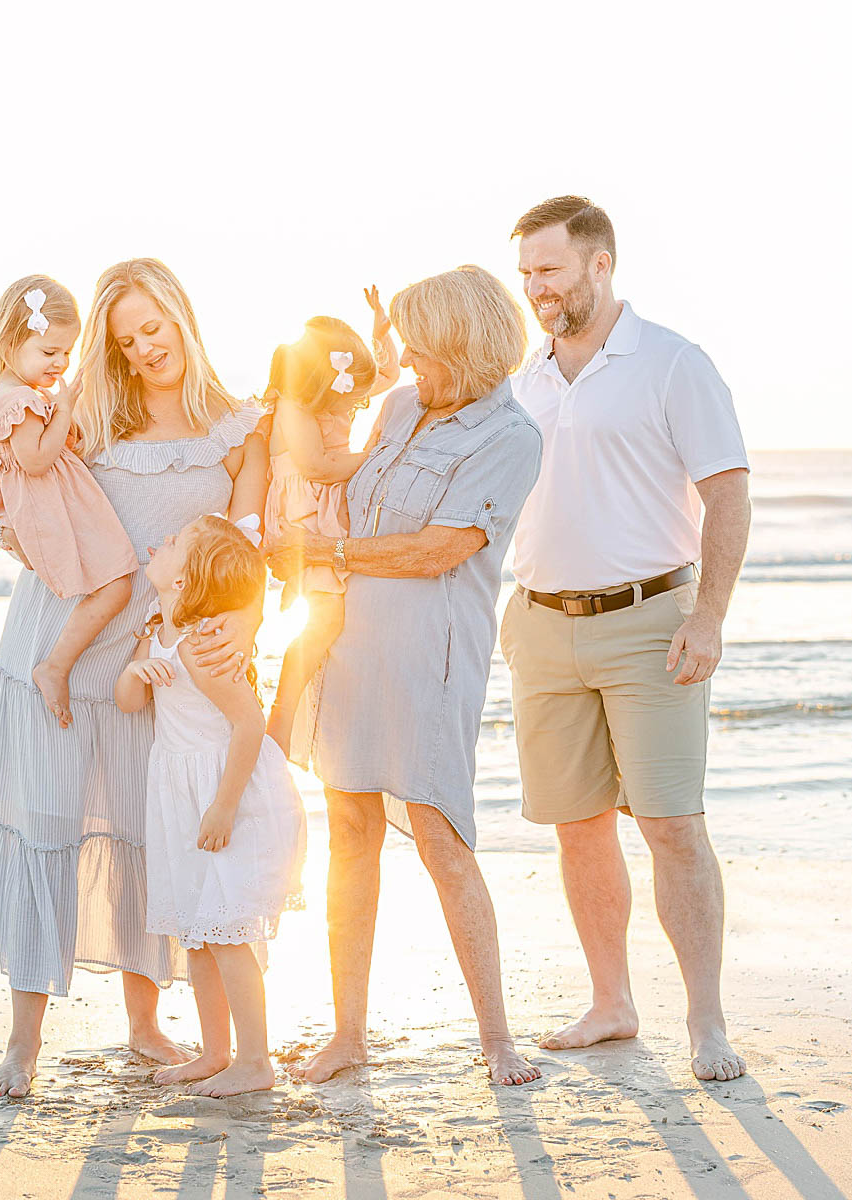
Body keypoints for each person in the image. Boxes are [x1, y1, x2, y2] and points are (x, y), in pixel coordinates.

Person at [0, 258, 269, 1100]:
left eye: (154, 325)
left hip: (155, 669)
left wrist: (239, 631)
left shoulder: (242, 427)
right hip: (56, 644)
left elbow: (250, 555)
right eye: (125, 336)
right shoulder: (87, 418)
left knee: (149, 841)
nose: (144, 347)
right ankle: (23, 1045)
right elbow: (18, 485)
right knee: (44, 835)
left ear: (182, 314)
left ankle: (144, 1024)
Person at [267, 265, 544, 1087]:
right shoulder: (398, 406)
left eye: (425, 352)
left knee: (439, 836)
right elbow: (332, 468)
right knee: (349, 831)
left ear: (466, 345)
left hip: (432, 657)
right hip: (349, 645)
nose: (413, 365)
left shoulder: (512, 436)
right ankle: (347, 1034)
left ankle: (498, 1040)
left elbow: (443, 549)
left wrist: (328, 552)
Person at [504, 196, 752, 1082]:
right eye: (526, 271)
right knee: (576, 827)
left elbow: (728, 493)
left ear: (599, 264)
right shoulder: (520, 378)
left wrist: (710, 616)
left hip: (652, 624)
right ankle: (611, 1003)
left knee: (672, 826)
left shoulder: (673, 363)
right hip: (538, 625)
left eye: (549, 270)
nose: (534, 288)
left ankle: (707, 1023)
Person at [118, 513, 306, 1098]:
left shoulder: (204, 648)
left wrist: (223, 808)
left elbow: (250, 726)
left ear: (185, 580)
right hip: (180, 793)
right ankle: (215, 1051)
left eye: (171, 540)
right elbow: (127, 702)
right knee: (198, 933)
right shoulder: (160, 636)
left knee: (227, 930)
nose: (159, 538)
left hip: (224, 794)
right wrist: (135, 671)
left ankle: (255, 1059)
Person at [0, 276, 138, 728]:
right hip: (54, 507)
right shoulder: (20, 400)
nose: (60, 363)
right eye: (49, 352)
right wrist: (63, 411)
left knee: (116, 582)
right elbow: (37, 460)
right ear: (9, 343)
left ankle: (59, 666)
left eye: (66, 352)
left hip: (55, 501)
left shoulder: (15, 394)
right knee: (119, 584)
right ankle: (55, 667)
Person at [261, 293, 399, 752]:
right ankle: (281, 717)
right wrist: (377, 457)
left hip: (326, 516)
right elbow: (318, 466)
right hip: (304, 523)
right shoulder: (293, 408)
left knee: (331, 616)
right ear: (326, 380)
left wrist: (382, 335)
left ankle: (297, 716)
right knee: (324, 618)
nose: (356, 399)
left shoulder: (329, 398)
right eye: (349, 390)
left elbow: (388, 376)